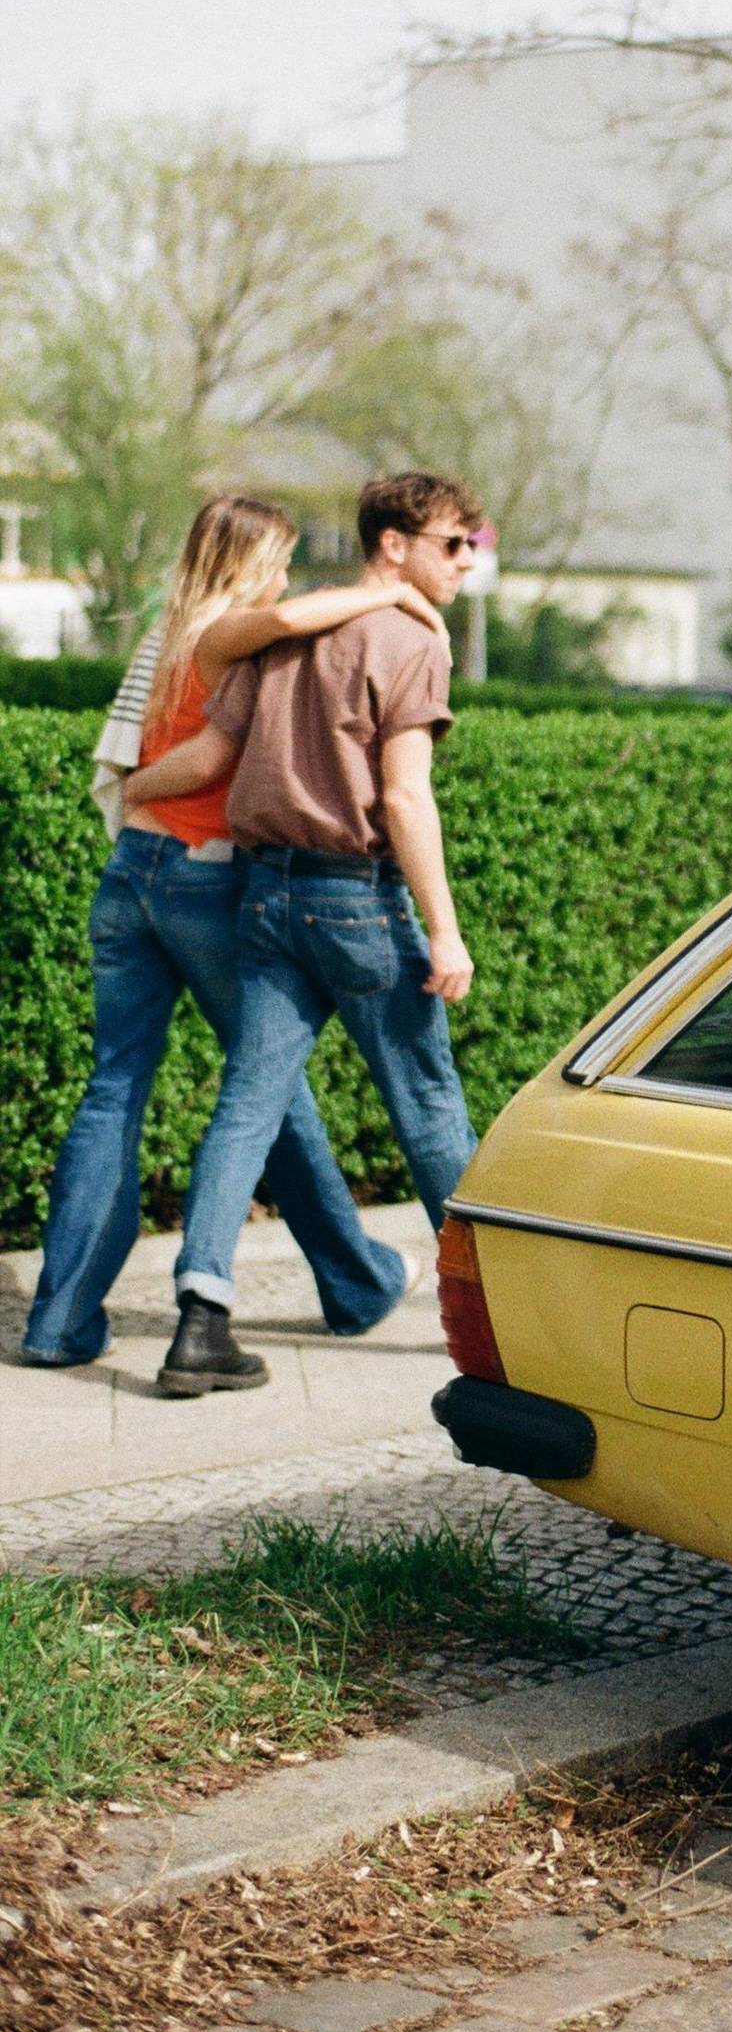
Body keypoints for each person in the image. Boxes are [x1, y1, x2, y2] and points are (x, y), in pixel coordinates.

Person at [22, 496, 443, 1376]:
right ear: (245, 562)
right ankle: (355, 1281)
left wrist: (132, 796)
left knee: (115, 1091)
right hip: (200, 880)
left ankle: (58, 1325)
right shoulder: (224, 631)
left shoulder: (164, 634)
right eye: (278, 559)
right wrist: (392, 594)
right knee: (266, 1091)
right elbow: (272, 646)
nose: (285, 578)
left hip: (128, 879)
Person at [125, 471, 483, 1394]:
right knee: (427, 1103)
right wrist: (445, 931)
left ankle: (201, 1317)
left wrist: (129, 788)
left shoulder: (283, 634)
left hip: (266, 898)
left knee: (248, 1104)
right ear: (394, 544)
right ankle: (498, 1313)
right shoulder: (410, 640)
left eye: (472, 546)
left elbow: (211, 753)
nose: (466, 562)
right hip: (357, 901)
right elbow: (405, 797)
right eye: (453, 543)